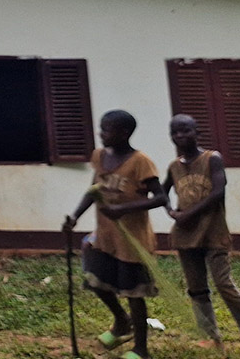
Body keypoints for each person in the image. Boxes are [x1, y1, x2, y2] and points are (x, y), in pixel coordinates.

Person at [63, 110, 166, 359]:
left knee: (133, 293)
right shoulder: (99, 156)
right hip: (105, 236)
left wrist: (122, 209)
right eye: (101, 128)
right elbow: (94, 189)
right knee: (95, 278)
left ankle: (141, 349)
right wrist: (75, 216)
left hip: (133, 239)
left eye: (106, 129)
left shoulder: (141, 161)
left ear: (124, 133)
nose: (101, 134)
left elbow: (161, 198)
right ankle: (121, 321)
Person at [163, 114, 240, 348]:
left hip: (214, 233)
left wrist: (189, 214)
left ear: (197, 133)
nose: (180, 136)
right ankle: (210, 336)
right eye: (175, 132)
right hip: (186, 235)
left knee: (223, 283)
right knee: (196, 288)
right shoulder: (174, 166)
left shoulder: (212, 159)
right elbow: (161, 191)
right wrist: (171, 211)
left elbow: (218, 192)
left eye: (185, 131)